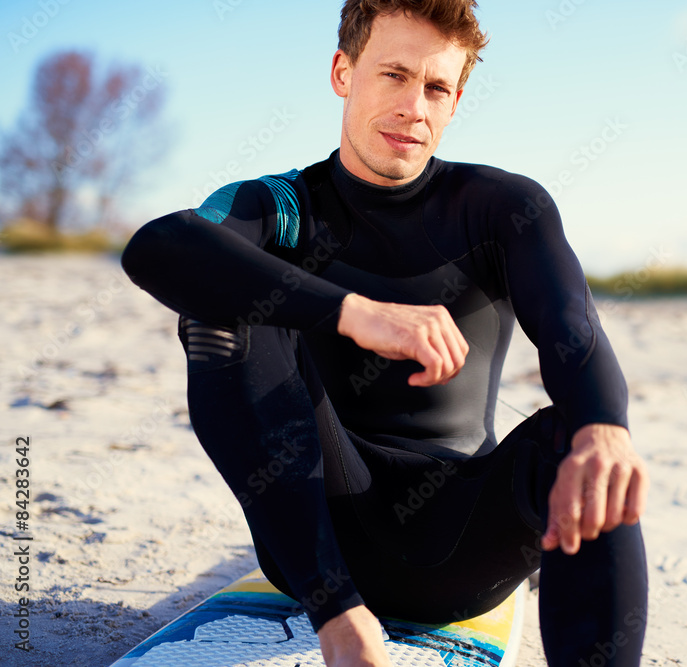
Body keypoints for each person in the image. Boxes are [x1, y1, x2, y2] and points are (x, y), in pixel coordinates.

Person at [121, 1, 649, 665]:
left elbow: (573, 327)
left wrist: (604, 425)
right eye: (393, 75)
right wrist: (353, 311)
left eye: (435, 87)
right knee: (218, 307)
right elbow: (158, 246)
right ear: (343, 73)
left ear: (456, 100)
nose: (414, 107)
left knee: (588, 440)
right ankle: (340, 615)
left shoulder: (502, 208)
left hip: (461, 546)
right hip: (315, 545)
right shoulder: (281, 208)